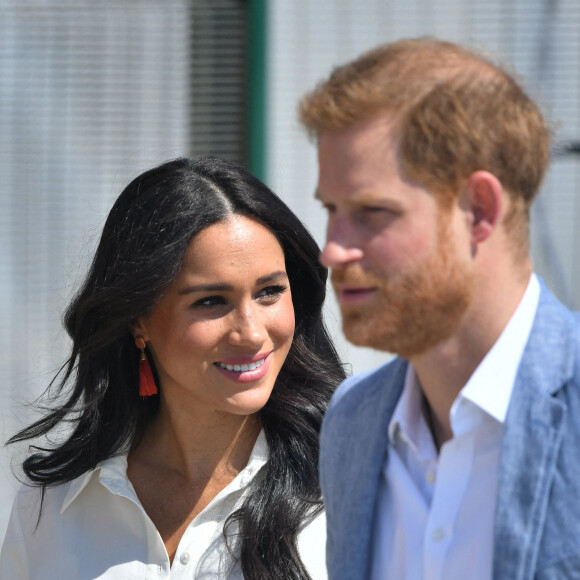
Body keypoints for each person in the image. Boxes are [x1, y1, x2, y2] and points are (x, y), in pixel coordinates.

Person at [298, 36, 580, 579]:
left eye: (371, 212)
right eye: (332, 209)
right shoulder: (352, 423)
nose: (332, 248)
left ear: (478, 210)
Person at [0, 156, 346, 579]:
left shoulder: (355, 487)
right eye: (211, 301)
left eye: (270, 292)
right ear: (138, 318)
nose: (252, 333)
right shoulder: (51, 506)